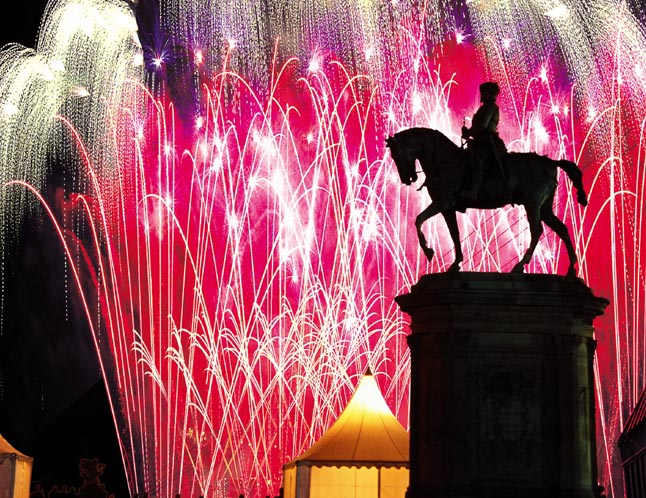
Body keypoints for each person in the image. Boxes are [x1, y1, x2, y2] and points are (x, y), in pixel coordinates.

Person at [461, 81, 507, 200]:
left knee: (478, 160)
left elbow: (482, 125)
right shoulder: (485, 107)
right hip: (479, 140)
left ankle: (473, 191)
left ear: (490, 94)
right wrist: (468, 132)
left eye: (484, 92)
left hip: (487, 142)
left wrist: (469, 133)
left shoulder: (491, 107)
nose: (482, 94)